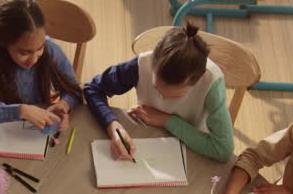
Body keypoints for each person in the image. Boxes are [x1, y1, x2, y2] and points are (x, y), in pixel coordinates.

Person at [84, 22, 235, 163]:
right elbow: (93, 89)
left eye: (177, 95)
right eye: (156, 88)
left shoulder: (211, 83)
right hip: (146, 131)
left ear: (200, 78)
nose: (163, 98)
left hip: (192, 142)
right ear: (153, 63)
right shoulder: (142, 64)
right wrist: (114, 127)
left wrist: (167, 120)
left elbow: (223, 150)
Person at [0, 0, 82, 133]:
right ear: (4, 43)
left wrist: (64, 105)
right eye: (24, 53)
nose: (34, 59)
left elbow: (74, 91)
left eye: (39, 48)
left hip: (37, 127)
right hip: (3, 126)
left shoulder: (51, 49)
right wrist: (21, 110)